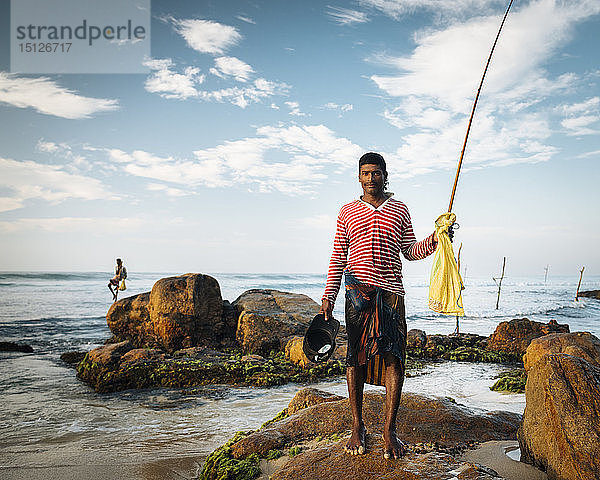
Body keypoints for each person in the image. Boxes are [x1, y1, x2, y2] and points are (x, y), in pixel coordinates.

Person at [320, 152, 439, 460]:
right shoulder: (347, 211)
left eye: (376, 173)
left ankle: (389, 430)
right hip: (357, 294)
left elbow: (411, 250)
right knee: (355, 360)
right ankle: (357, 426)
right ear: (359, 178)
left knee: (394, 359)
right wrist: (329, 296)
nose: (371, 178)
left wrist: (437, 239)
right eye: (365, 173)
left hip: (391, 295)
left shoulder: (400, 209)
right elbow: (338, 256)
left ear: (386, 175)